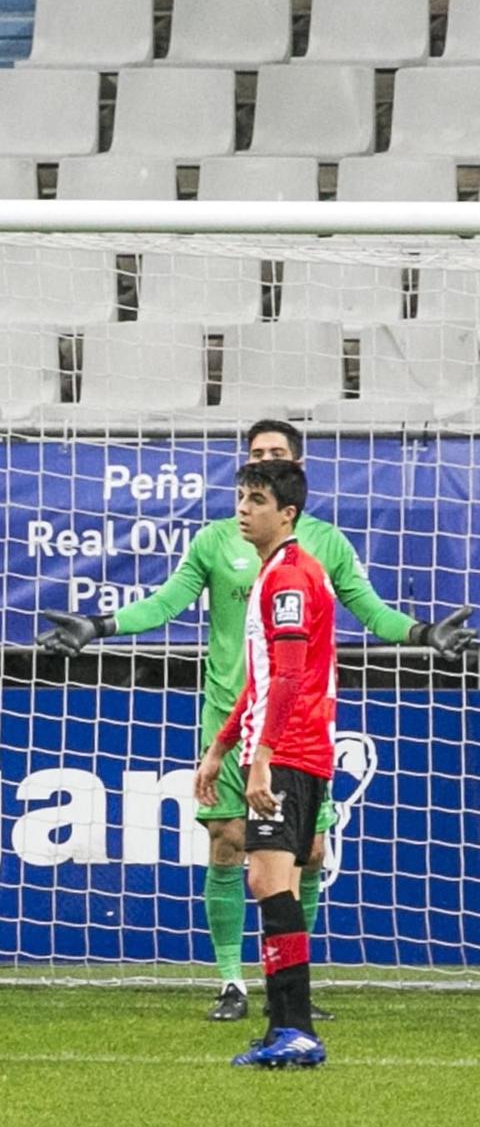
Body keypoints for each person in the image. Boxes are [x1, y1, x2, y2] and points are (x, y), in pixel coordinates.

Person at [39, 420, 474, 1020]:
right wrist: (100, 626)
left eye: (273, 459)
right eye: (252, 460)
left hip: (296, 725)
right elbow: (167, 602)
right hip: (232, 711)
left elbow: (370, 612)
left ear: (294, 475)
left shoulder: (321, 546)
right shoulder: (216, 540)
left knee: (311, 853)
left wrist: (423, 634)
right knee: (227, 844)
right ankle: (231, 981)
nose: (257, 473)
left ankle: (290, 986)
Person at [195, 461, 334, 1068]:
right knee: (274, 880)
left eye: (256, 500)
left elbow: (291, 675)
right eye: (241, 498)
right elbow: (261, 680)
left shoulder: (290, 580)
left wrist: (262, 760)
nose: (243, 509)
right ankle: (287, 1027)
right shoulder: (279, 572)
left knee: (269, 880)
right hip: (291, 748)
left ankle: (294, 1028)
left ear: (288, 514)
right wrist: (223, 746)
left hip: (291, 751)